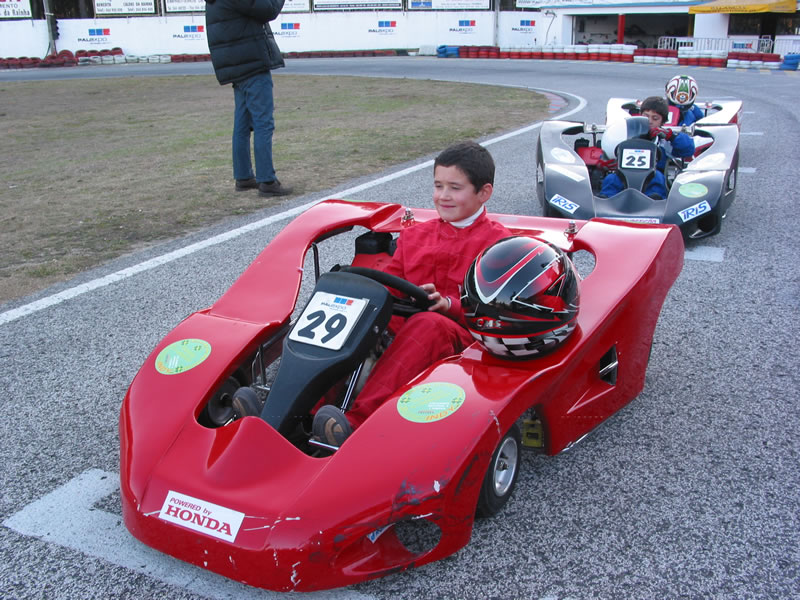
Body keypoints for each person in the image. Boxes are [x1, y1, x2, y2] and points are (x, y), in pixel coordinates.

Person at [312, 141, 512, 446]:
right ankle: (299, 409)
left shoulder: (499, 245)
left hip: (464, 341)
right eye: (438, 185)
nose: (443, 196)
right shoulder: (415, 236)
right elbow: (389, 286)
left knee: (428, 323)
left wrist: (449, 305)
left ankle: (356, 422)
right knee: (350, 312)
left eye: (455, 188)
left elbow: (499, 309)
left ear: (483, 193)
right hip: (408, 328)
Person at [205, 0, 293, 197]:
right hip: (251, 63)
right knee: (263, 123)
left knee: (243, 124)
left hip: (237, 64)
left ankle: (244, 176)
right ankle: (267, 180)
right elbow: (268, 10)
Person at [600, 96, 695, 199]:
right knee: (611, 179)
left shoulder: (664, 140)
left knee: (658, 179)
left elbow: (689, 149)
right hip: (623, 173)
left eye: (655, 118)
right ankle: (606, 201)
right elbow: (608, 150)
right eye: (646, 116)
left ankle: (654, 201)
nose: (649, 121)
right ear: (640, 115)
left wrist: (671, 136)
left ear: (662, 122)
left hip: (652, 175)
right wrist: (604, 161)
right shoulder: (627, 134)